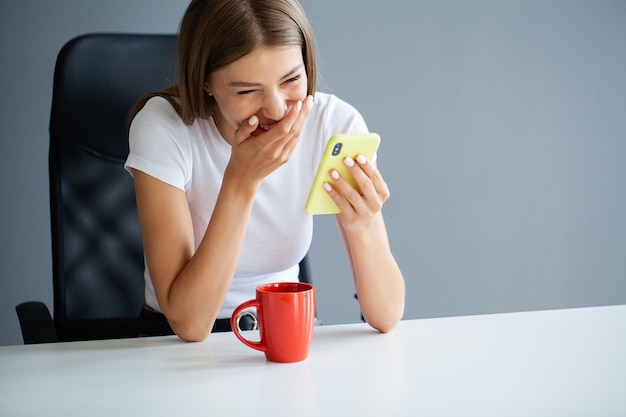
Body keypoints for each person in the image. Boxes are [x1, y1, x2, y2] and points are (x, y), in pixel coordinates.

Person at [125, 0, 405, 342]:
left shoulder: (335, 125)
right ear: (205, 83)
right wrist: (241, 181)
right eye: (246, 90)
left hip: (284, 330)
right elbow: (190, 324)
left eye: (291, 79)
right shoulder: (162, 128)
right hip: (173, 344)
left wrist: (361, 225)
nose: (275, 109)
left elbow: (387, 315)